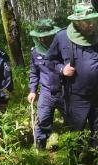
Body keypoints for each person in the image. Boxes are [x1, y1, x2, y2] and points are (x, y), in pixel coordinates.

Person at [46, 2, 98, 149]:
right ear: (77, 22)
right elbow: (50, 60)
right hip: (76, 96)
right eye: (87, 22)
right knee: (75, 130)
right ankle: (75, 162)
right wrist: (62, 69)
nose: (91, 25)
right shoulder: (62, 36)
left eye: (93, 20)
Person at [27, 19, 65, 149]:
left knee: (72, 120)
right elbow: (34, 72)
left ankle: (73, 148)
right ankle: (40, 149)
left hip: (64, 91)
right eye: (40, 37)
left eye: (46, 37)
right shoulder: (35, 51)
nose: (43, 40)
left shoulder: (63, 49)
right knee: (43, 120)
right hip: (45, 92)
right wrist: (32, 90)